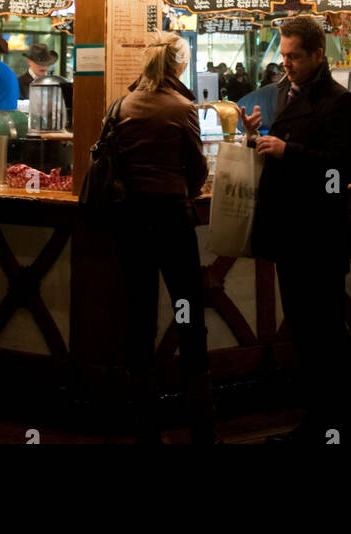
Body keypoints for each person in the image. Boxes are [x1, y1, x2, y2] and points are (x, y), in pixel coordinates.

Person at [239, 14, 351, 445]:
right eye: (284, 54)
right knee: (306, 335)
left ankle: (344, 428)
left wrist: (287, 150)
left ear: (317, 54)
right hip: (290, 234)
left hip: (320, 235)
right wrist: (255, 138)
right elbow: (279, 153)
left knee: (327, 335)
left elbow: (342, 169)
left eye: (294, 56)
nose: (286, 62)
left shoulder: (340, 102)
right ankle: (317, 424)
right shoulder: (282, 96)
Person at [112, 32, 212, 444]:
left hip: (134, 220)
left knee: (140, 313)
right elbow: (198, 168)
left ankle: (144, 422)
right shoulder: (182, 107)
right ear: (178, 65)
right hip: (172, 219)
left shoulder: (122, 105)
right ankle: (199, 422)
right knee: (187, 307)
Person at [19, 42, 73, 126]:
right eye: (39, 63)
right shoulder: (19, 83)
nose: (43, 67)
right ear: (29, 61)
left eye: (46, 63)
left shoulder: (57, 83)